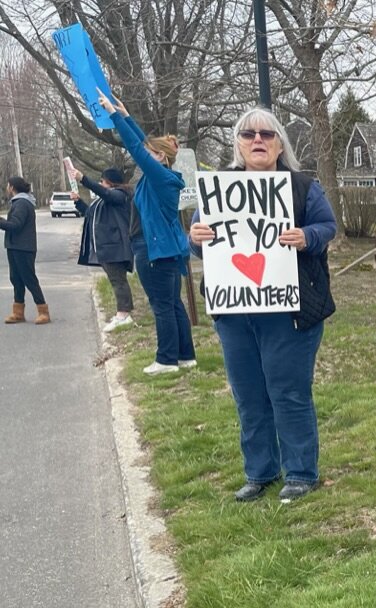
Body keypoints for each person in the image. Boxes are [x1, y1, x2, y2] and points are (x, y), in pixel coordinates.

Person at [189, 108, 338, 502]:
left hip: (291, 311)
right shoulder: (219, 191)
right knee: (249, 394)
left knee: (288, 392)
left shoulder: (303, 187)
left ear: (280, 145)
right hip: (236, 312)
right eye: (249, 134)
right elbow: (200, 243)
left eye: (268, 135)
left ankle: (301, 473)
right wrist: (196, 236)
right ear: (238, 144)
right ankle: (260, 473)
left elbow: (328, 228)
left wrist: (306, 236)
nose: (258, 140)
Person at [98, 92, 195, 374]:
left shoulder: (161, 177)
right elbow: (144, 145)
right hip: (162, 247)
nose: (144, 156)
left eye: (151, 154)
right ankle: (185, 356)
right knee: (172, 303)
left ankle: (166, 360)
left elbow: (137, 148)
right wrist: (126, 115)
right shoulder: (162, 177)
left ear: (161, 158)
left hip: (154, 249)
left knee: (161, 306)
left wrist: (114, 118)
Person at [70, 167, 137, 331]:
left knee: (118, 281)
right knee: (116, 280)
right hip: (106, 248)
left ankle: (124, 314)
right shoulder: (103, 200)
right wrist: (79, 202)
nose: (100, 183)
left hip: (116, 246)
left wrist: (83, 179)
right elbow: (90, 214)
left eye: (102, 180)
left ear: (110, 182)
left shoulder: (120, 195)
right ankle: (122, 312)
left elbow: (106, 193)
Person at [1, 176, 49, 324]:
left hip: (23, 247)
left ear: (12, 187)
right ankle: (18, 312)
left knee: (29, 279)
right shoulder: (18, 202)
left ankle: (43, 311)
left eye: (8, 185)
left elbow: (15, 225)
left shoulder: (22, 203)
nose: (7, 188)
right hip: (15, 246)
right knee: (16, 279)